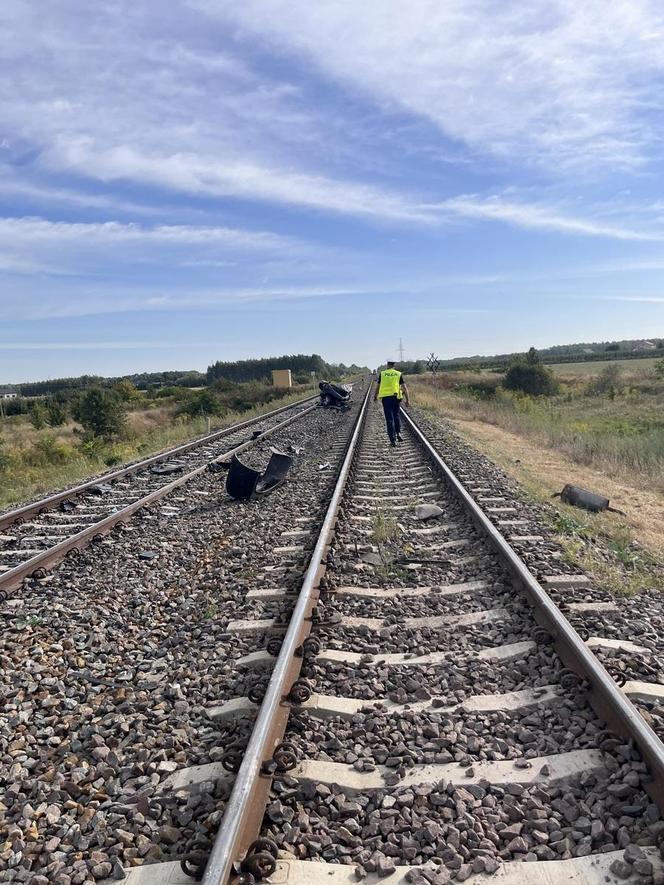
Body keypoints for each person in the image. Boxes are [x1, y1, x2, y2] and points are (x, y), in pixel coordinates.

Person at [374, 360, 409, 447]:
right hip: (396, 398)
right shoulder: (398, 374)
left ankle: (392, 440)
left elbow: (378, 387)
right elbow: (405, 388)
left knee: (389, 419)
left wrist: (375, 396)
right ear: (394, 365)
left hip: (386, 399)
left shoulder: (382, 374)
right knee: (396, 415)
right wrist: (408, 400)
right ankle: (398, 433)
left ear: (387, 365)